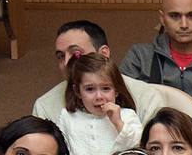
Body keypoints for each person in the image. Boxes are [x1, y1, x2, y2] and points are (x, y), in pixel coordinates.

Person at [34, 20, 165, 124]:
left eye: (76, 53)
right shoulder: (45, 105)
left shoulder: (146, 96)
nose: (67, 62)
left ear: (103, 54)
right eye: (60, 56)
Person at [119, 0, 192, 101]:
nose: (184, 25)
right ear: (162, 18)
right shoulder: (140, 57)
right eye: (175, 16)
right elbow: (122, 102)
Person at [58, 53, 141, 155]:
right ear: (78, 91)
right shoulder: (67, 117)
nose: (99, 97)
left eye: (106, 88)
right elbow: (58, 152)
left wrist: (118, 123)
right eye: (90, 89)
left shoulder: (127, 115)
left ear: (116, 90)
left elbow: (137, 149)